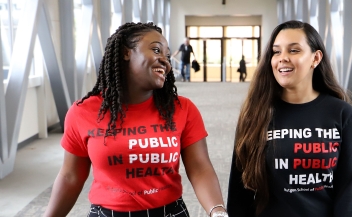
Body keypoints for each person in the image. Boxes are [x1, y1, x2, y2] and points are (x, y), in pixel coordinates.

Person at [44, 22, 228, 217]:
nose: (165, 61)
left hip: (169, 213)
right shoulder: (83, 112)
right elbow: (71, 176)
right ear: (126, 53)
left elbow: (200, 167)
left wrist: (217, 211)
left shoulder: (182, 109)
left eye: (167, 56)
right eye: (156, 50)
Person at [227, 20, 352, 217]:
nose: (282, 58)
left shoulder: (342, 114)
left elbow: (348, 193)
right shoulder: (255, 114)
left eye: (294, 50)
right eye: (276, 52)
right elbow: (239, 194)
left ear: (315, 58)